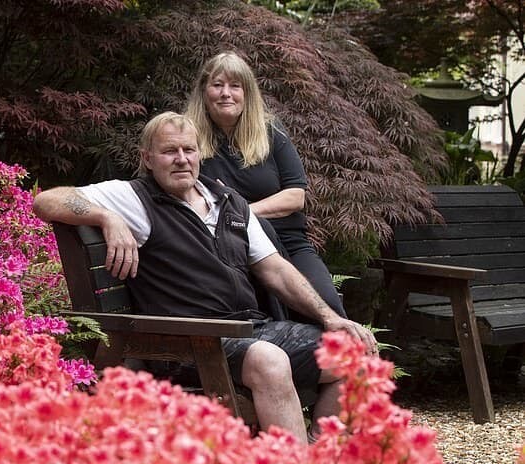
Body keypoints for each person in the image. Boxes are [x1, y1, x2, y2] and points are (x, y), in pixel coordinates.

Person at [32, 112, 376, 444]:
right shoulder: (135, 198)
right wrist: (107, 216)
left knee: (354, 350)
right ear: (148, 158)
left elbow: (275, 269)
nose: (181, 159)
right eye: (169, 151)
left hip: (248, 330)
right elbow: (47, 200)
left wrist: (331, 318)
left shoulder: (229, 202)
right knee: (269, 361)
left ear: (200, 154)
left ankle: (319, 454)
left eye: (189, 150)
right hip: (187, 344)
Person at [185, 51, 347, 319]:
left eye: (235, 86)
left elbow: (295, 196)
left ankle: (348, 360)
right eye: (217, 85)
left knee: (327, 307)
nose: (226, 93)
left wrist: (241, 210)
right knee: (266, 319)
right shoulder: (188, 140)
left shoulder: (271, 132)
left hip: (289, 243)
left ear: (246, 93)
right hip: (231, 250)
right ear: (204, 92)